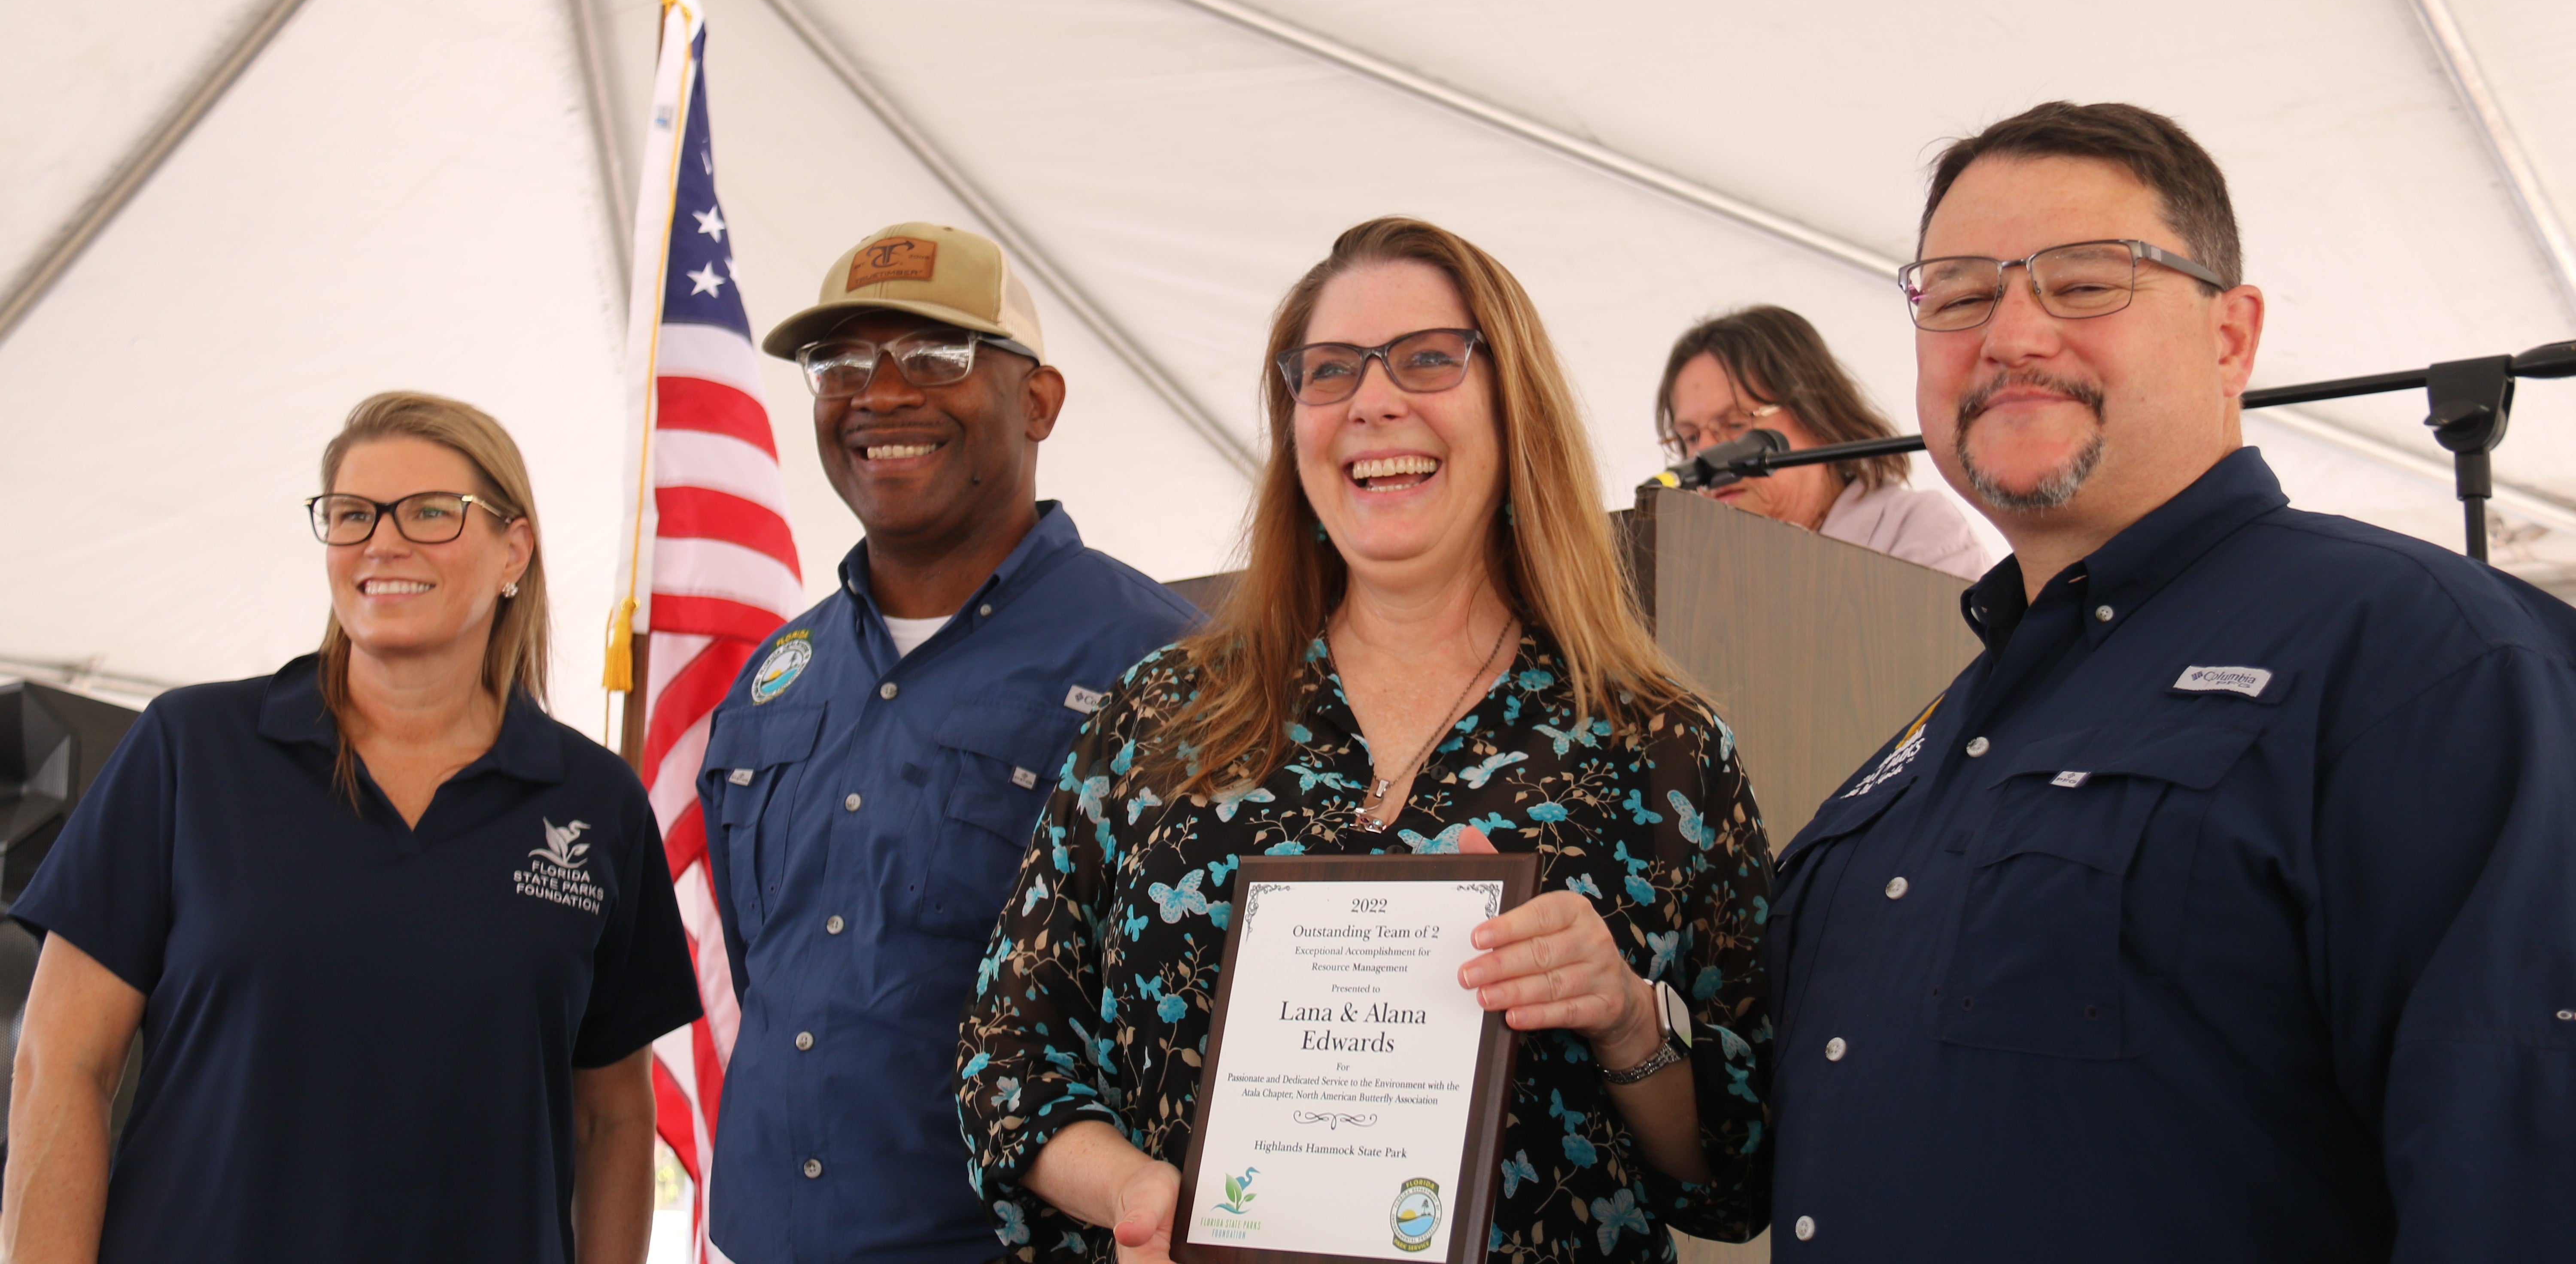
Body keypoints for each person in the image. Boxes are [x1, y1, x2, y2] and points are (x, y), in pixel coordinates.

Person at [1768, 101, 2576, 1260]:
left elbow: (2523, 1170)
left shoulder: (2423, 652)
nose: (2009, 334)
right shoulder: (1939, 731)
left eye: (2087, 281)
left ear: (2231, 335)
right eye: (1958, 294)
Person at [958, 217, 1772, 1263]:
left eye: (1430, 358)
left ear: (1512, 405)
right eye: (1329, 371)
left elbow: (1734, 1176)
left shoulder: (1659, 748)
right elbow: (1007, 1057)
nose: (1374, 401)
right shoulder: (1161, 717)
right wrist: (1134, 1193)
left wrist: (1626, 1016)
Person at [1, 392, 701, 1264]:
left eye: (432, 512)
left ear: (513, 548)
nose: (383, 539)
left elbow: (615, 1116)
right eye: (351, 513)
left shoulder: (597, 800)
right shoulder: (189, 748)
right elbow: (62, 1066)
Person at [701, 222, 1200, 1264]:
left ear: (1039, 401)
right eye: (839, 364)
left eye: (938, 357)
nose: (880, 394)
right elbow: (765, 971)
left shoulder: (1164, 666)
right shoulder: (770, 678)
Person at [1656, 305, 1987, 579]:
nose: (1707, 457)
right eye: (1691, 437)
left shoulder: (1911, 528)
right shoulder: (1691, 570)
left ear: (1817, 415)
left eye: (1736, 423)